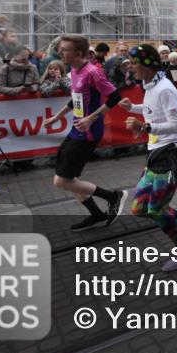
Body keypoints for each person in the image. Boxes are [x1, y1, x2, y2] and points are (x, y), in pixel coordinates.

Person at [119, 45, 177, 272]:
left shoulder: (165, 88)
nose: (130, 67)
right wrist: (133, 108)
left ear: (147, 65)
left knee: (156, 209)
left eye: (133, 63)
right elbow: (153, 110)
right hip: (156, 153)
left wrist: (144, 126)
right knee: (138, 208)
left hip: (171, 154)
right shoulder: (151, 85)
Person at [45, 35, 128, 231]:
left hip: (89, 133)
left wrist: (92, 118)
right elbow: (77, 99)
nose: (59, 52)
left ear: (79, 53)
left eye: (64, 49)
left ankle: (113, 196)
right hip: (76, 129)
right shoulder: (73, 70)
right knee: (68, 179)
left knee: (62, 180)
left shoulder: (93, 72)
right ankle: (96, 213)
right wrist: (58, 116)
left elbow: (115, 96)